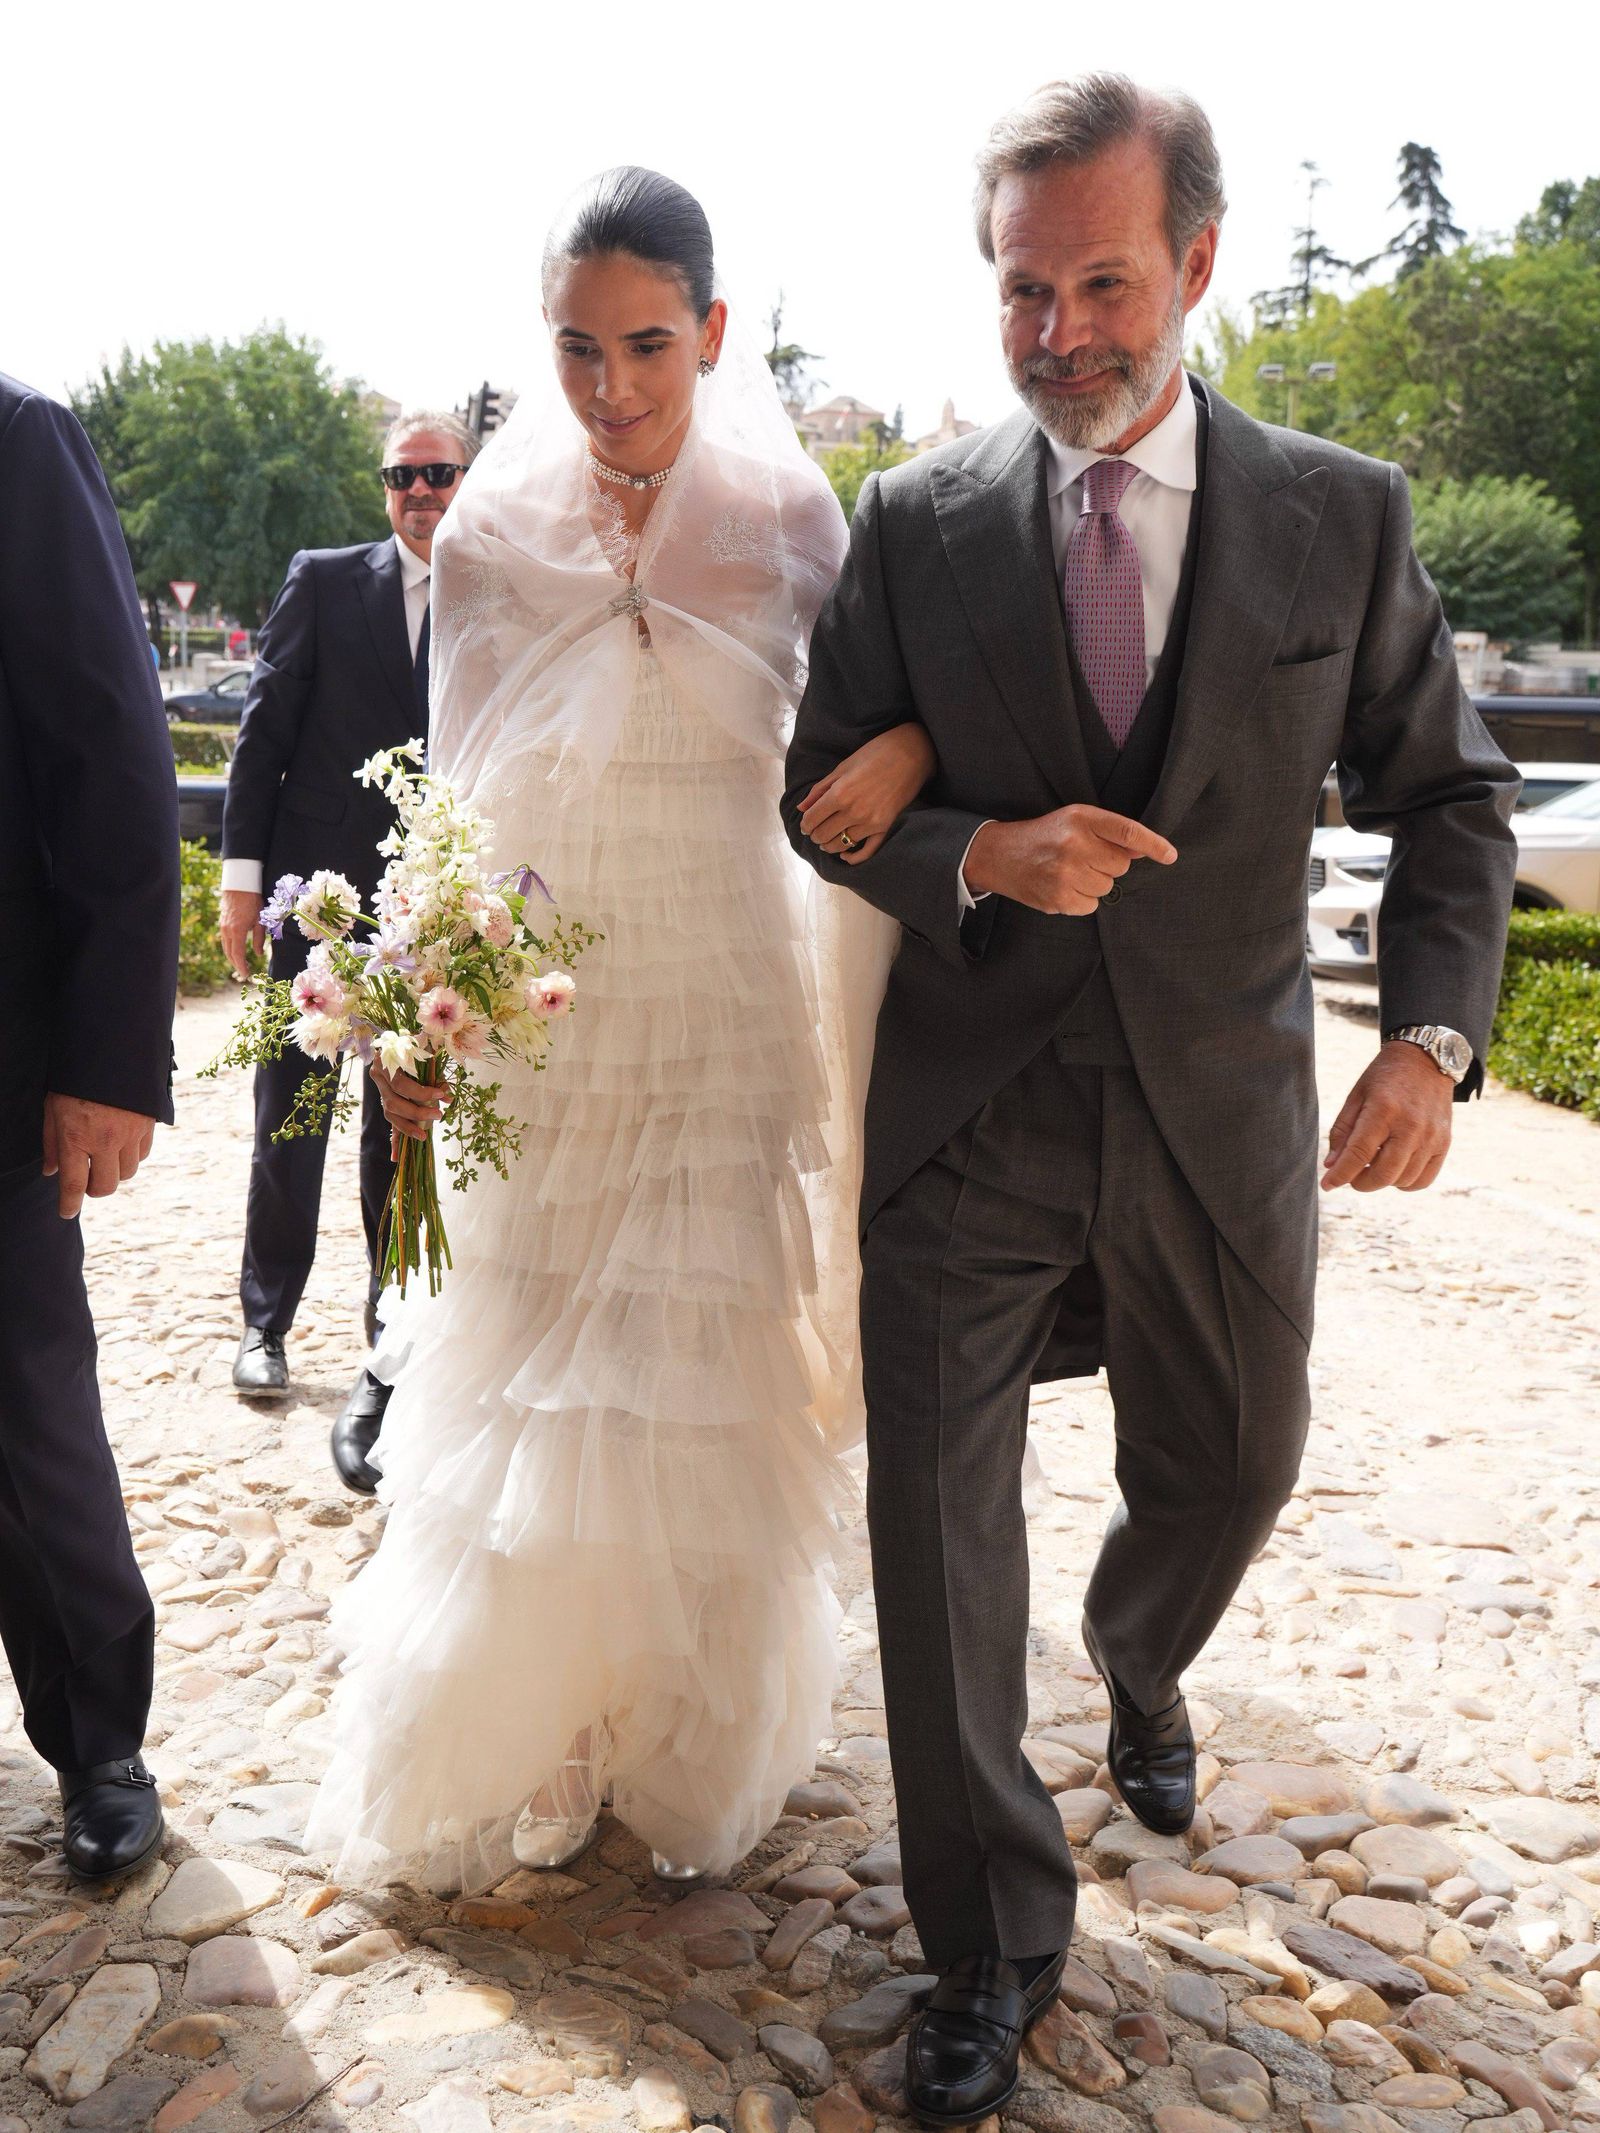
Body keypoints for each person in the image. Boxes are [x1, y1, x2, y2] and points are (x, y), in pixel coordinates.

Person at [784, 75, 1520, 2127]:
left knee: (1233, 1463)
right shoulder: (912, 520)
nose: (1059, 333)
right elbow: (819, 786)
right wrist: (974, 853)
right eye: (1021, 290)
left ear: (1194, 261)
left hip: (1218, 1109)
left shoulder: (1339, 513)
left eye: (1101, 282)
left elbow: (1452, 794)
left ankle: (1138, 1648)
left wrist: (1430, 1039)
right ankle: (991, 1942)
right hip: (970, 1112)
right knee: (934, 1538)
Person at [304, 169, 925, 1892]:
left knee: (692, 1371)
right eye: (578, 348)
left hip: (724, 992)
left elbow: (874, 731)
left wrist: (908, 759)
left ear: (711, 333)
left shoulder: (794, 521)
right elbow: (453, 792)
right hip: (549, 1010)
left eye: (648, 344)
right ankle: (546, 1725)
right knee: (536, 1349)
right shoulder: (491, 536)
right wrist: (422, 1008)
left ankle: (675, 1724)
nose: (612, 384)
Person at [219, 410, 480, 1493]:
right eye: (401, 475)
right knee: (291, 1117)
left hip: (427, 911)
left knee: (398, 1131)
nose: (420, 491)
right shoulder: (323, 581)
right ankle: (265, 1324)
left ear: (470, 480)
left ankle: (389, 1337)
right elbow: (263, 735)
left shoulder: (496, 595)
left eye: (439, 473)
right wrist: (242, 887)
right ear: (384, 487)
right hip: (313, 904)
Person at [0, 374, 181, 1881]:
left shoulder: (15, 438)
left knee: (24, 1406)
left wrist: (109, 1057)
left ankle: (98, 1739)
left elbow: (113, 753)